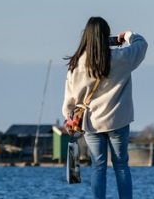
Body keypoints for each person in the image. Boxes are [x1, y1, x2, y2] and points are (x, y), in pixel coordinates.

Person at [62, 17, 148, 199]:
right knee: (121, 165)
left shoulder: (76, 64)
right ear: (105, 36)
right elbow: (142, 44)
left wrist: (69, 118)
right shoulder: (121, 57)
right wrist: (126, 36)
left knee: (98, 167)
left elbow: (69, 101)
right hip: (118, 120)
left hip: (91, 123)